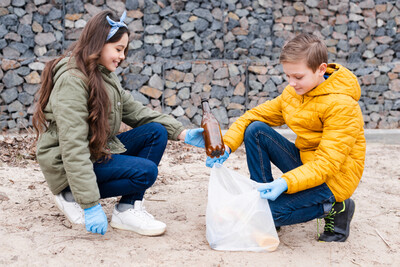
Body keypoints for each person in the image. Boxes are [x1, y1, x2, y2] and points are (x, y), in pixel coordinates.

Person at [32, 10, 205, 236]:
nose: (122, 56)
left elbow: (134, 110)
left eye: (124, 50)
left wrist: (182, 133)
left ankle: (127, 209)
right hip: (67, 166)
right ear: (98, 44)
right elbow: (73, 146)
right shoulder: (72, 82)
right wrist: (91, 204)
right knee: (145, 173)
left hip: (94, 150)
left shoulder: (103, 74)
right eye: (118, 49)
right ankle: (71, 195)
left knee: (156, 132)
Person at [206, 33, 366, 242]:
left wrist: (285, 182)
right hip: (306, 165)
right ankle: (263, 196)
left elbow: (327, 164)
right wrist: (227, 146)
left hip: (333, 179)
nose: (291, 83)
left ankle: (336, 207)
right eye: (288, 76)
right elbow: (252, 116)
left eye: (298, 77)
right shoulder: (294, 93)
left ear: (321, 70)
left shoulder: (342, 106)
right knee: (256, 130)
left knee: (262, 216)